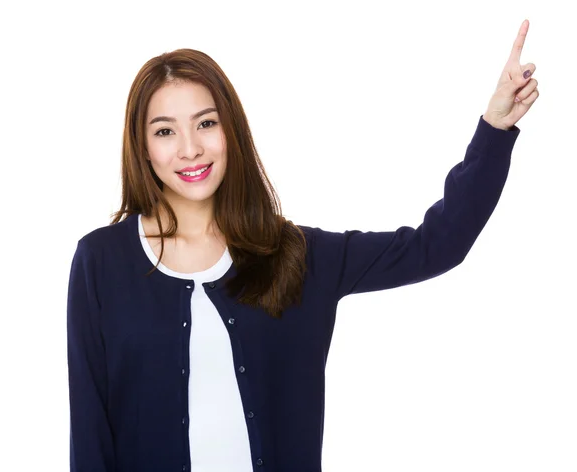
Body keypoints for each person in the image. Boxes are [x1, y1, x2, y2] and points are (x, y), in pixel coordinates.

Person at [67, 20, 538, 472]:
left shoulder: (294, 254)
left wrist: (494, 132)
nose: (190, 148)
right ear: (143, 146)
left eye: (206, 123)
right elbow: (90, 432)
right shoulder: (101, 262)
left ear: (231, 130)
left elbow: (437, 246)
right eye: (165, 131)